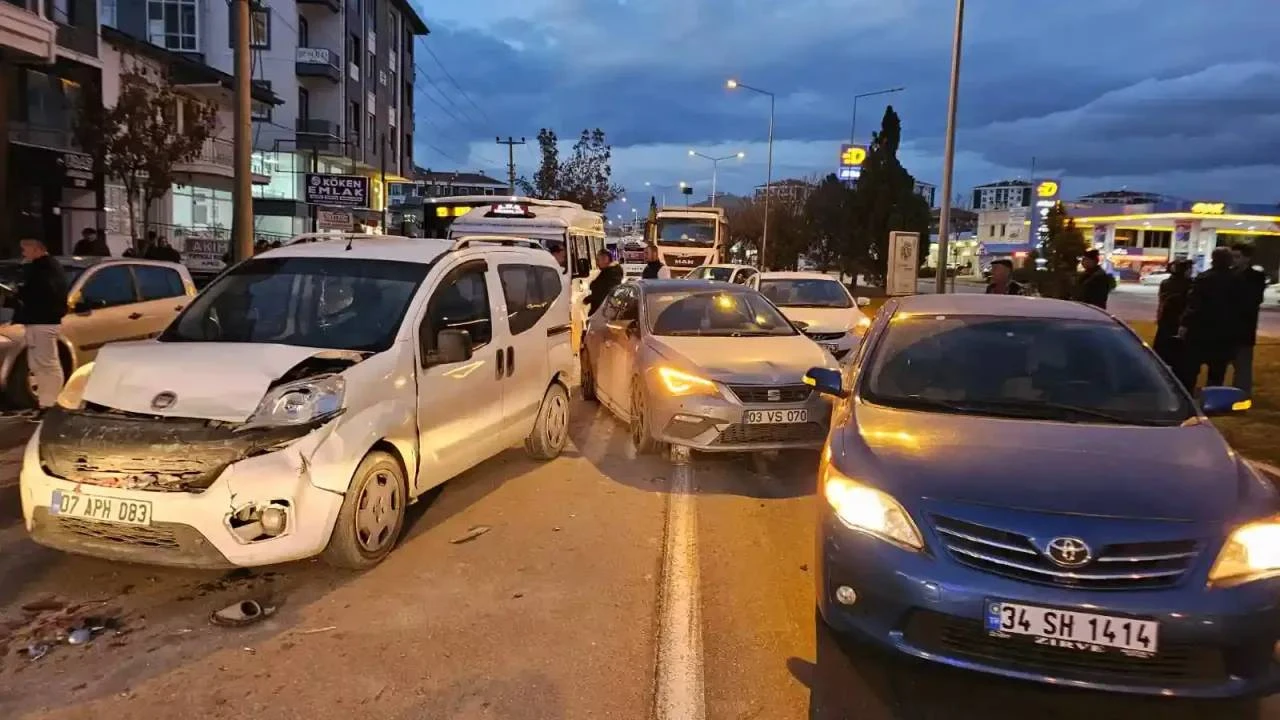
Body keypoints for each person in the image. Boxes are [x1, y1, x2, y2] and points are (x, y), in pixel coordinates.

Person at [14, 238, 69, 412]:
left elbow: (43, 293)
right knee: (37, 364)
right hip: (36, 321)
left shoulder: (46, 269)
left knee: (47, 364)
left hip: (43, 321)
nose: (23, 254)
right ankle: (45, 403)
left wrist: (22, 291)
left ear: (37, 249)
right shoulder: (43, 268)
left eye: (26, 250)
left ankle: (50, 404)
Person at [1179, 247, 1239, 390]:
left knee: (1191, 369)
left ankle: (1189, 396)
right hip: (1224, 332)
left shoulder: (1204, 278)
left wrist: (1185, 323)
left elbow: (1194, 304)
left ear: (1213, 259)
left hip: (1200, 330)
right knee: (1217, 371)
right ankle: (1212, 399)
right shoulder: (1237, 279)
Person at [1227, 244, 1266, 397]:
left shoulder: (1256, 277)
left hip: (1244, 329)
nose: (1234, 260)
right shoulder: (1227, 274)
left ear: (1247, 258)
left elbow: (1254, 300)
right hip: (1225, 329)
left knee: (1242, 366)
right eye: (1232, 257)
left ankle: (1241, 396)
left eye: (1238, 256)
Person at [1153, 259, 1193, 386]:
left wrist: (1159, 317)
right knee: (1180, 359)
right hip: (1181, 324)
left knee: (1163, 354)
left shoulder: (1166, 283)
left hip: (1166, 322)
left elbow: (1161, 303)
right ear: (1186, 270)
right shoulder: (1190, 285)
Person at [584, 249, 623, 316]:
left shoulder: (611, 273)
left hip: (603, 310)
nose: (597, 263)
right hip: (602, 308)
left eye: (598, 260)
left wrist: (588, 299)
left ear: (605, 259)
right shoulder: (609, 271)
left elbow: (605, 291)